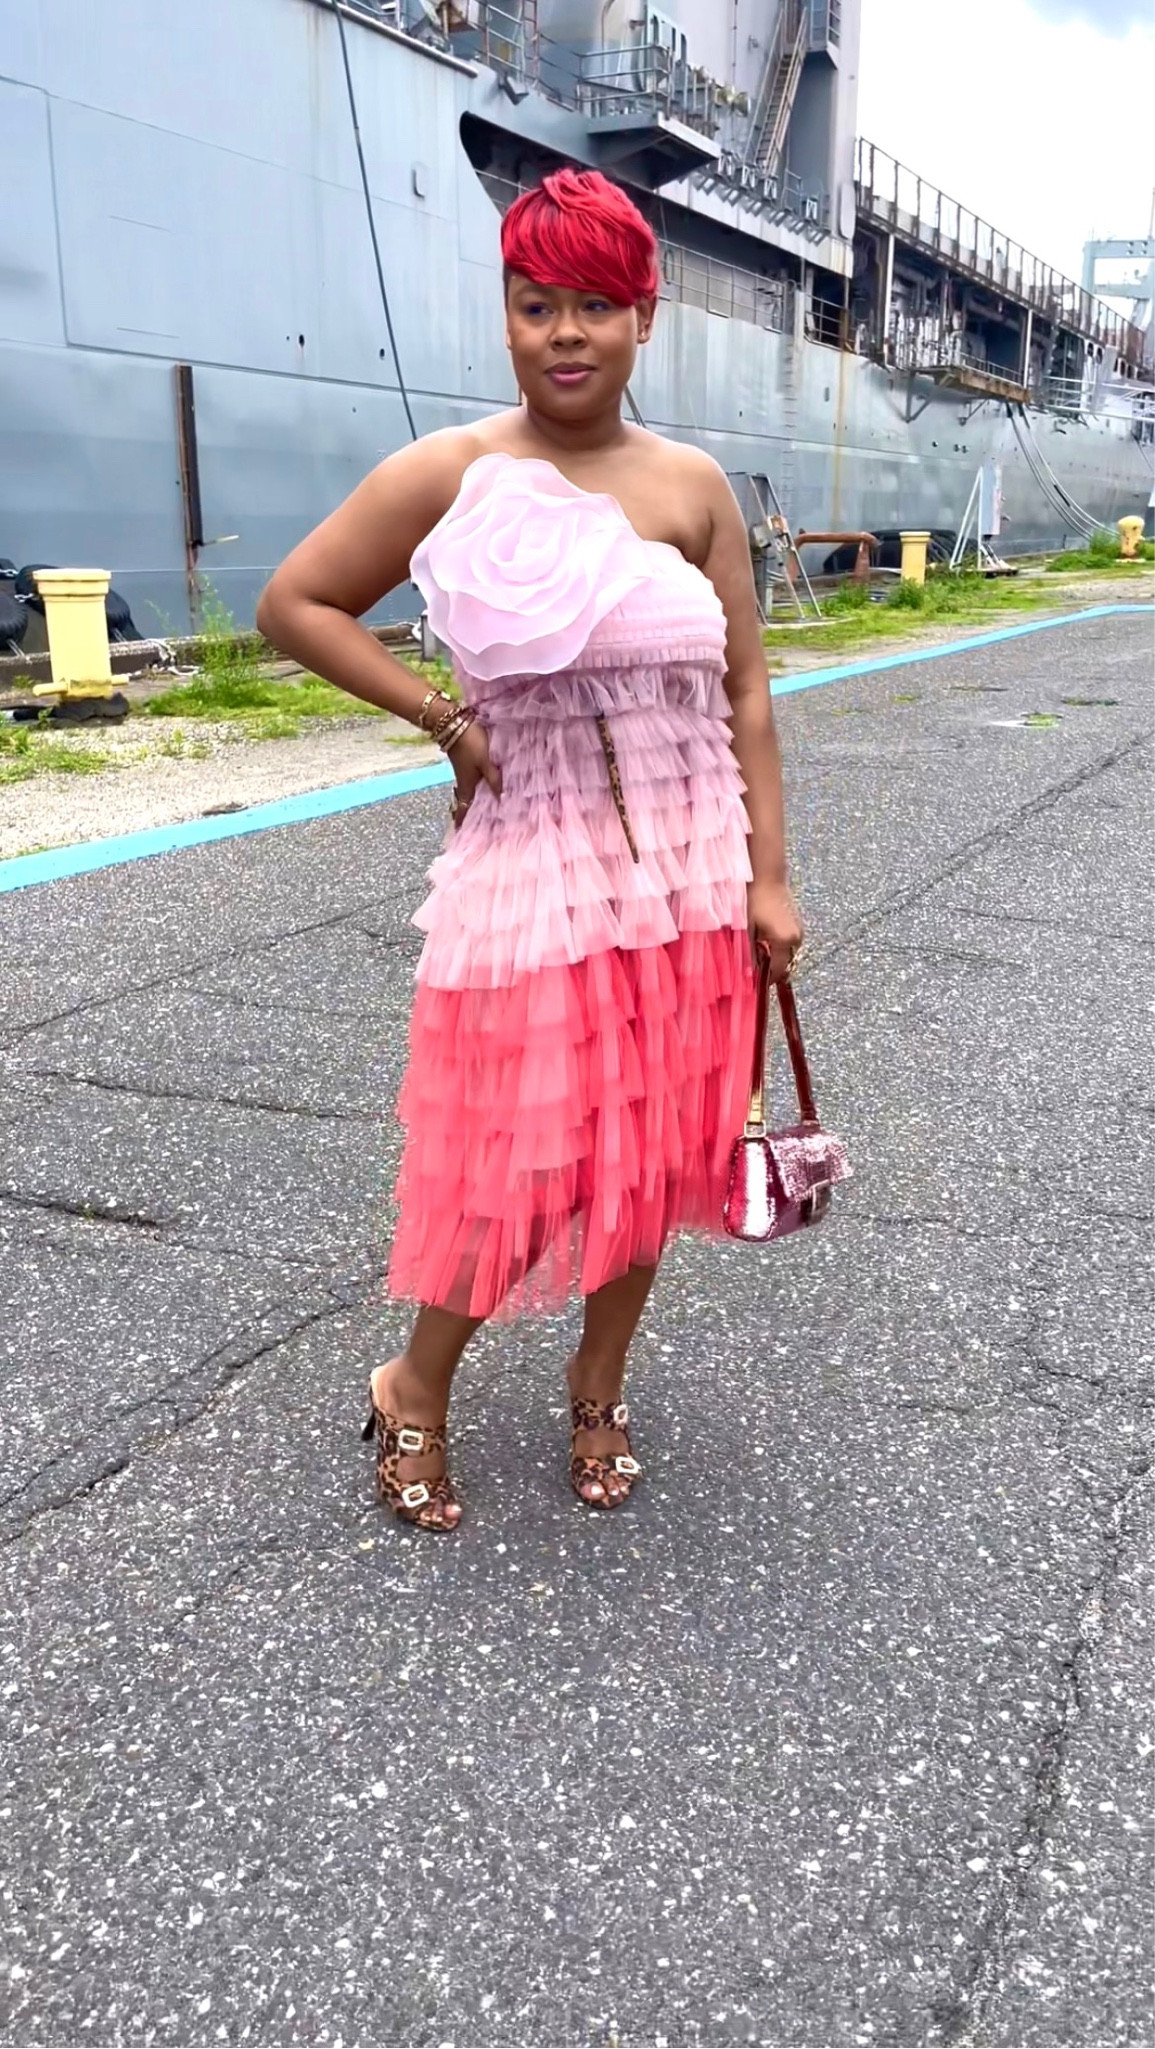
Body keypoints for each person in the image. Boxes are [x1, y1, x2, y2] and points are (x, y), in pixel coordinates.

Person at [256, 167, 802, 1532]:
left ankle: (598, 1382)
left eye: (597, 305)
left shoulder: (692, 486)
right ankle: (412, 1381)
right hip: (533, 875)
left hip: (688, 875)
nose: (567, 332)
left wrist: (770, 878)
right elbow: (297, 602)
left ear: (643, 320)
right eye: (537, 303)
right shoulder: (451, 473)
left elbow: (745, 689)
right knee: (520, 1159)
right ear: (504, 317)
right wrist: (444, 721)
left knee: (659, 1148)